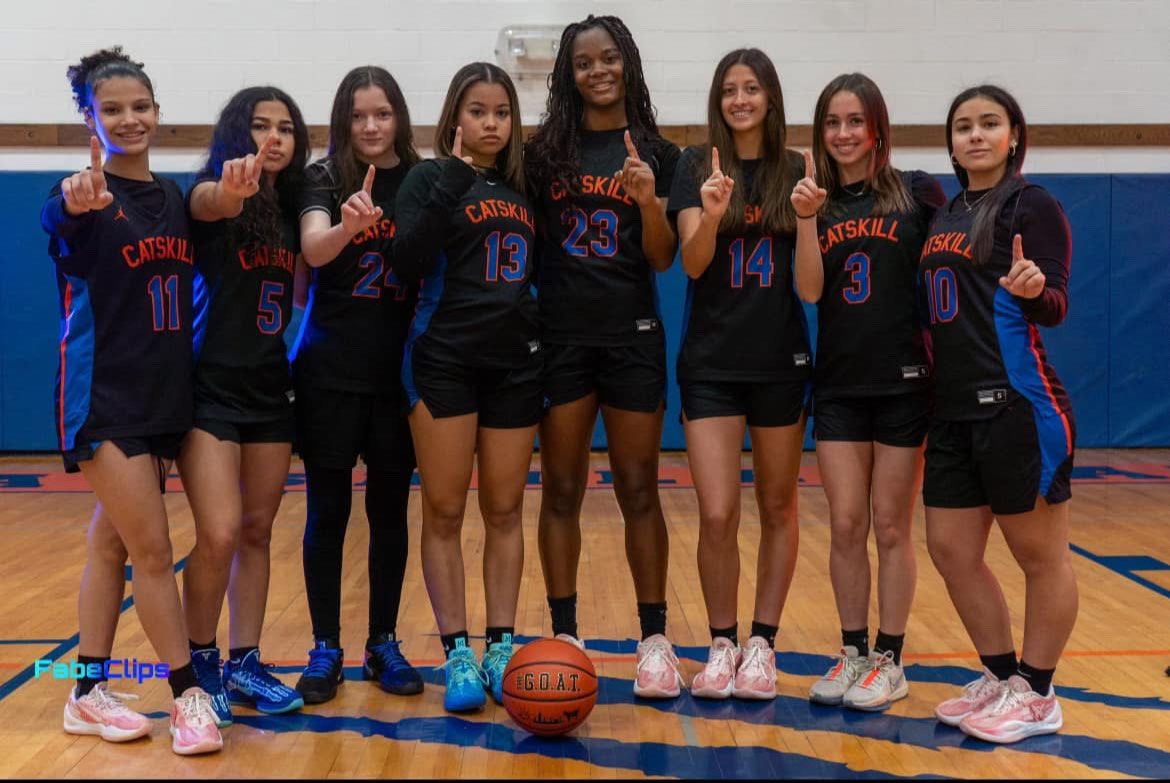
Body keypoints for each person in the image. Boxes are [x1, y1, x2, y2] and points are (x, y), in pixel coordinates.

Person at [43, 46, 221, 755]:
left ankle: (86, 692)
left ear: (157, 110)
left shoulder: (174, 198)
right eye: (112, 109)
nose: (130, 118)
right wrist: (71, 201)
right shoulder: (82, 197)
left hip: (166, 396)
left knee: (111, 540)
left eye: (140, 106)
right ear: (90, 118)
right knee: (153, 549)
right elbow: (59, 217)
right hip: (104, 397)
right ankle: (187, 697)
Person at [523, 15, 682, 697]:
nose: (597, 71)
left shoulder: (658, 150)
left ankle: (655, 639)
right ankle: (566, 632)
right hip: (560, 338)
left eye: (608, 59)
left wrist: (648, 201)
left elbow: (665, 255)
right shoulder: (542, 154)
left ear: (628, 64)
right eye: (583, 63)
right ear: (568, 74)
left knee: (639, 487)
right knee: (559, 488)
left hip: (632, 333)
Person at [920, 85, 1076, 744]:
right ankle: (1004, 673)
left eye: (989, 124)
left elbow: (1056, 302)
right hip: (951, 411)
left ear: (1013, 135)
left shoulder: (1030, 204)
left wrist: (1038, 292)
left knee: (1039, 555)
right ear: (951, 141)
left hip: (1017, 403)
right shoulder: (946, 209)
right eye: (963, 126)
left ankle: (1039, 693)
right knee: (952, 549)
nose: (976, 135)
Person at [793, 73, 945, 711]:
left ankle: (891, 657)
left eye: (855, 121)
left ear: (877, 127)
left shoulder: (916, 193)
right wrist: (804, 220)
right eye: (832, 121)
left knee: (890, 527)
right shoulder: (817, 202)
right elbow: (809, 290)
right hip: (839, 384)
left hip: (904, 382)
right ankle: (853, 652)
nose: (844, 133)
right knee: (846, 525)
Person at [393, 62, 539, 713]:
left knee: (505, 510)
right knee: (445, 511)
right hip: (443, 360)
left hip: (514, 366)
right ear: (457, 116)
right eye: (478, 110)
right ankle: (456, 650)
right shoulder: (429, 177)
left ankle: (500, 644)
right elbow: (407, 260)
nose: (490, 122)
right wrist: (452, 178)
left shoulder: (523, 187)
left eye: (502, 112)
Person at [670, 48, 807, 701]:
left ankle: (763, 643)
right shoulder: (695, 164)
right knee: (717, 511)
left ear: (771, 97)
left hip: (781, 360)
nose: (740, 98)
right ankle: (721, 642)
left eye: (752, 88)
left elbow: (813, 281)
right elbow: (692, 265)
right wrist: (715, 212)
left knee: (779, 506)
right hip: (712, 362)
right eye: (729, 88)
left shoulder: (800, 169)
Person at [291, 66, 424, 704]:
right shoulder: (323, 178)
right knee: (329, 511)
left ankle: (383, 642)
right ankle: (325, 648)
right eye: (358, 115)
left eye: (383, 114)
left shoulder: (424, 180)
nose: (371, 127)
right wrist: (350, 227)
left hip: (398, 376)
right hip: (330, 372)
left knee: (389, 513)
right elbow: (314, 250)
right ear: (343, 120)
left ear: (399, 116)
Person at [179, 86, 311, 724]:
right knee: (220, 532)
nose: (274, 138)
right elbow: (208, 202)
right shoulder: (212, 191)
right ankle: (199, 664)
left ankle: (245, 661)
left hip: (270, 387)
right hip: (211, 389)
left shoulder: (294, 207)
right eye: (260, 126)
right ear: (237, 133)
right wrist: (232, 190)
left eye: (285, 127)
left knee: (257, 532)